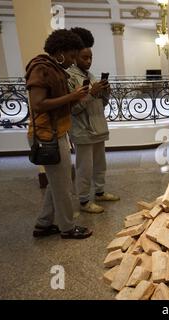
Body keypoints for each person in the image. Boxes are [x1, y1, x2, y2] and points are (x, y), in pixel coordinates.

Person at [26, 29, 92, 239]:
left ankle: (43, 224)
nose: (73, 61)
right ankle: (67, 227)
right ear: (60, 52)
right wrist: (71, 96)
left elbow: (58, 102)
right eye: (72, 56)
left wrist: (76, 97)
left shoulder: (55, 68)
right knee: (63, 184)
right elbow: (38, 104)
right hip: (47, 134)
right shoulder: (41, 68)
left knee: (57, 181)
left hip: (58, 131)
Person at [68, 27, 120, 214]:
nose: (88, 61)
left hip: (97, 127)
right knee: (84, 168)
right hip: (82, 131)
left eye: (90, 58)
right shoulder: (71, 77)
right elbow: (73, 109)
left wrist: (105, 93)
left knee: (100, 164)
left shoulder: (90, 76)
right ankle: (83, 201)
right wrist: (91, 93)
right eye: (84, 58)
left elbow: (101, 105)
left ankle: (99, 192)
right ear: (75, 57)